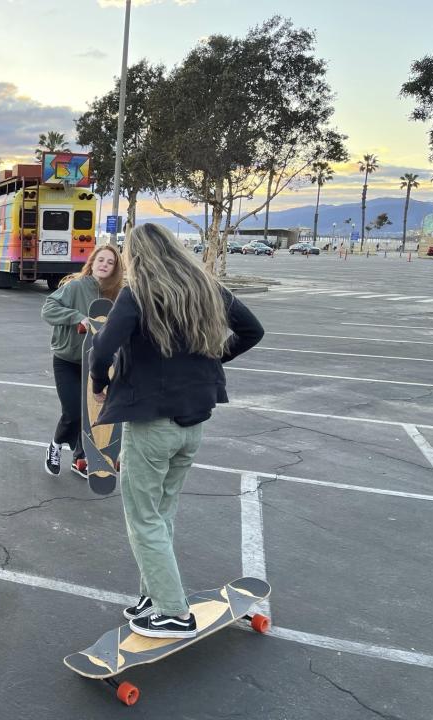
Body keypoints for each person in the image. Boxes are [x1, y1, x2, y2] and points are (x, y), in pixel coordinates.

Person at [90, 223, 263, 639]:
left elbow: (103, 346)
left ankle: (173, 611)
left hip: (152, 426)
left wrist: (99, 382)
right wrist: (209, 360)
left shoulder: (138, 294)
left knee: (143, 517)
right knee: (162, 512)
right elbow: (252, 330)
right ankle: (154, 594)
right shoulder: (206, 288)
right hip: (194, 422)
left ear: (136, 257)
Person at [40, 245, 123, 478]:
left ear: (116, 268)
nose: (104, 264)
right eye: (101, 260)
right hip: (67, 359)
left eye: (110, 262)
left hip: (97, 364)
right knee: (73, 411)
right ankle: (55, 446)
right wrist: (78, 318)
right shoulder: (75, 286)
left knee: (92, 415)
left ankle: (80, 459)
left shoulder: (116, 294)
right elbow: (48, 309)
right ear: (92, 261)